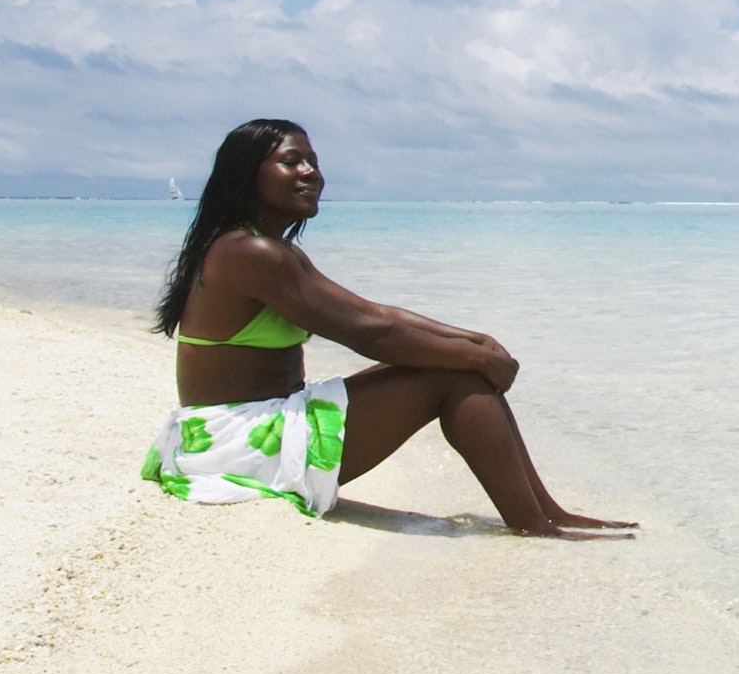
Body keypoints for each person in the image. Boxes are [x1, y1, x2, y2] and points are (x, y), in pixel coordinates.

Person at [140, 118, 633, 538]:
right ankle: (535, 526)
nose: (311, 172)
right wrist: (473, 357)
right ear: (248, 176)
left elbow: (376, 313)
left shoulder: (267, 249)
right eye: (292, 162)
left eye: (313, 161)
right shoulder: (252, 253)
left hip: (255, 427)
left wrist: (473, 341)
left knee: (460, 363)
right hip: (239, 443)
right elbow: (367, 334)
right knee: (453, 376)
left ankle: (546, 512)